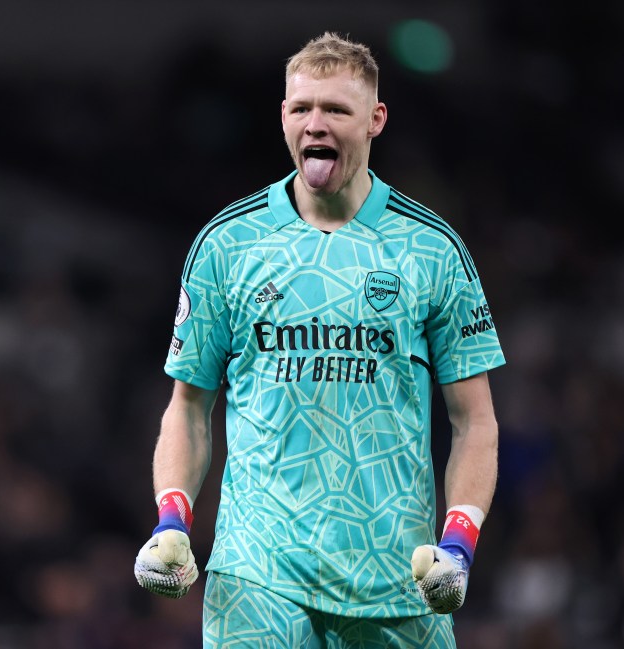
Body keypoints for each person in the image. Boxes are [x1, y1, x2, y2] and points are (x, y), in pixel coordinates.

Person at [134, 32, 505, 648]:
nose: (316, 123)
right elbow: (189, 407)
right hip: (258, 574)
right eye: (302, 108)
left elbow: (477, 422)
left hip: (395, 579)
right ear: (283, 116)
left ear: (375, 119)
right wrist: (172, 518)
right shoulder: (228, 245)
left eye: (335, 109)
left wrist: (459, 541)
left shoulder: (431, 249)